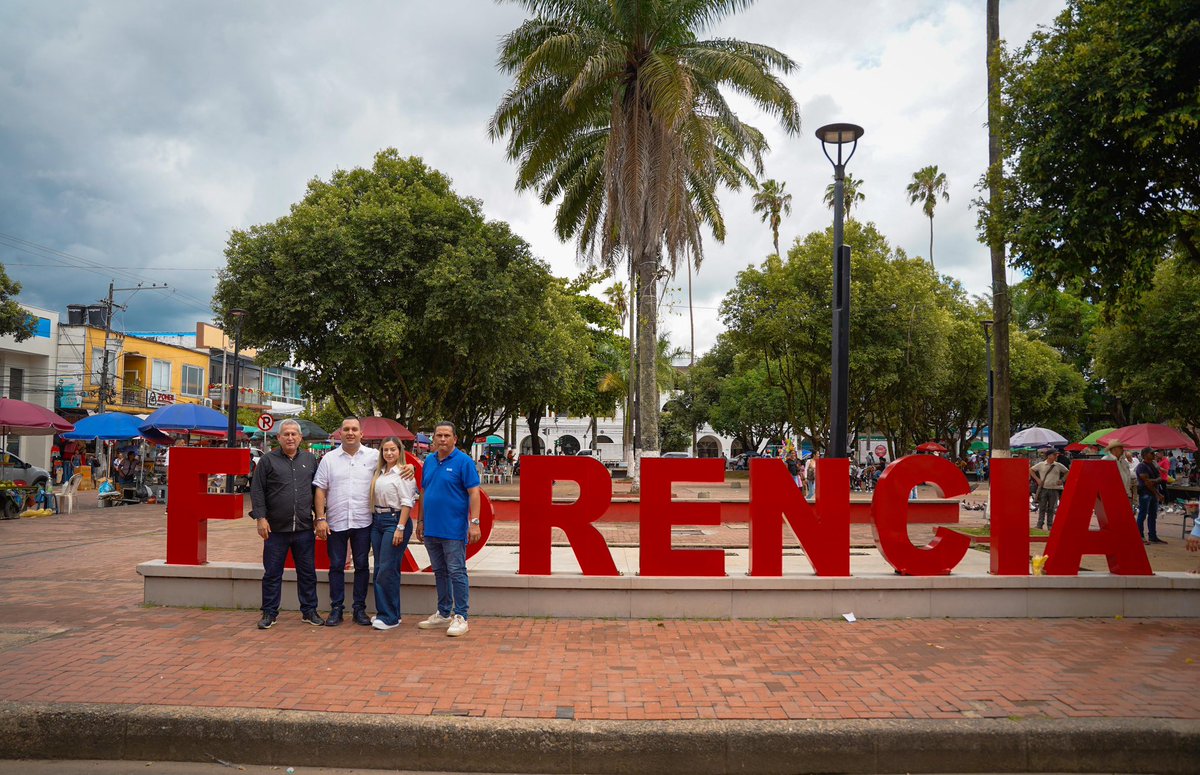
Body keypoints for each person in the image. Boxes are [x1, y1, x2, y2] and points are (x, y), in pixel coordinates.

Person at [249, 419, 323, 630]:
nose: (290, 437)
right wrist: (260, 518)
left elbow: (317, 491)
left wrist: (320, 518)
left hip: (303, 528)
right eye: (286, 434)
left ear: (300, 438)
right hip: (275, 530)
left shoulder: (310, 460)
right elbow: (257, 490)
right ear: (278, 438)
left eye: (294, 434)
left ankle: (309, 611)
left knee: (308, 572)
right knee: (272, 573)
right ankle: (269, 613)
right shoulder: (267, 461)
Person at [414, 421, 480, 637]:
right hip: (431, 528)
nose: (442, 439)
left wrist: (475, 522)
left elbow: (474, 493)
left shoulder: (464, 462)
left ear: (455, 439)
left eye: (446, 435)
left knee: (457, 572)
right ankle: (443, 613)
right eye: (438, 435)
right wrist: (420, 521)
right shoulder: (430, 461)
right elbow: (424, 492)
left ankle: (461, 616)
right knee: (440, 572)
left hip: (453, 529)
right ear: (433, 438)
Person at [314, 416, 379, 627]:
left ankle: (359, 609)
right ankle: (336, 609)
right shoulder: (328, 459)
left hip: (364, 521)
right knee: (336, 566)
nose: (350, 432)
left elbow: (395, 468)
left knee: (361, 565)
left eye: (354, 429)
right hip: (336, 521)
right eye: (346, 429)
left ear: (362, 434)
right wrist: (320, 518)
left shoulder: (374, 457)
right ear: (339, 433)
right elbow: (320, 490)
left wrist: (410, 469)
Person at [368, 436, 418, 631]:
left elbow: (407, 502)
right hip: (377, 521)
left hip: (395, 521)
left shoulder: (404, 474)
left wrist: (400, 527)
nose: (389, 453)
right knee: (381, 568)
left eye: (393, 450)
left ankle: (389, 617)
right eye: (385, 450)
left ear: (400, 451)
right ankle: (388, 613)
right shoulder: (380, 472)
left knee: (387, 570)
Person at [1030, 447, 1068, 530]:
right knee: (1042, 507)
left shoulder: (1058, 465)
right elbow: (1031, 470)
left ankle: (1050, 525)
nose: (1056, 456)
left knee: (1051, 508)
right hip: (1044, 489)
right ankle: (1040, 524)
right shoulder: (1041, 465)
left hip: (1054, 489)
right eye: (1054, 455)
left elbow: (1067, 472)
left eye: (1056, 455)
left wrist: (1062, 480)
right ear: (1049, 456)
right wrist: (1038, 479)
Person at [1135, 447, 1166, 544]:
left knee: (1153, 515)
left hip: (1152, 493)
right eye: (1151, 453)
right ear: (1145, 455)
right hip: (1146, 493)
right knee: (1143, 514)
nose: (1154, 455)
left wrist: (1154, 481)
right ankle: (1140, 536)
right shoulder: (1141, 466)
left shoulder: (1153, 465)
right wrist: (1158, 493)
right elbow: (1148, 483)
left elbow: (1160, 478)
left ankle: (1152, 536)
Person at [1102, 439, 1136, 505]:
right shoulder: (1106, 460)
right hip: (1112, 495)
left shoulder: (1124, 461)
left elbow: (1127, 476)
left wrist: (1129, 493)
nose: (1123, 449)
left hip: (1126, 494)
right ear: (1114, 449)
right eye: (1121, 448)